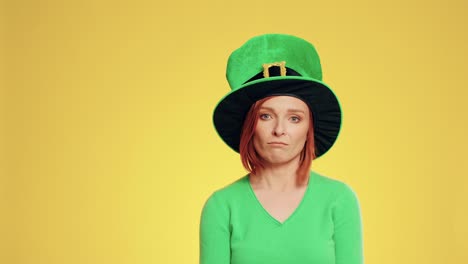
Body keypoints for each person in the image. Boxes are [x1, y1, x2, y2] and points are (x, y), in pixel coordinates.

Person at [199, 34, 363, 264]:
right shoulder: (221, 206)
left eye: (294, 118)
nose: (279, 130)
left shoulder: (340, 200)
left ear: (309, 129)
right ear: (249, 126)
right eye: (265, 116)